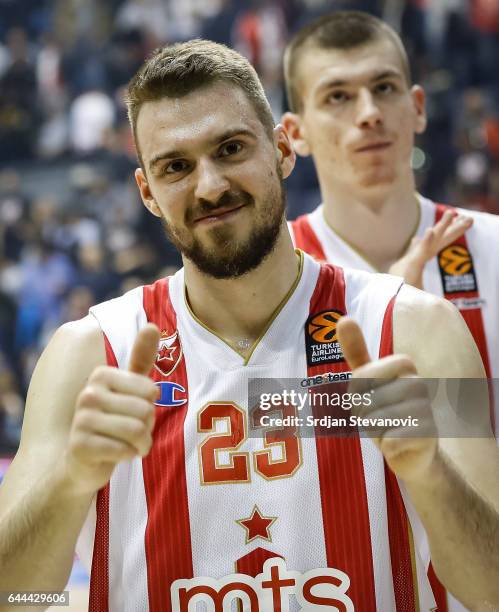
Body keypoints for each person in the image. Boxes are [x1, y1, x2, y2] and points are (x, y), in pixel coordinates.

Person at [0, 40, 498, 612]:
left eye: (231, 148)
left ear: (283, 149)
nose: (210, 186)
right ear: (148, 193)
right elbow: (17, 598)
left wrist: (431, 474)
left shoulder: (418, 329)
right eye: (176, 167)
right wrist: (68, 480)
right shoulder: (84, 355)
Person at [282, 11, 499, 409]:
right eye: (338, 96)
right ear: (297, 133)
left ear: (418, 107)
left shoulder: (495, 247)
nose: (369, 113)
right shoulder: (273, 276)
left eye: (383, 87)